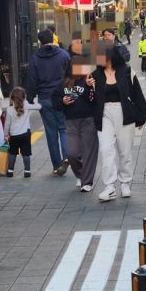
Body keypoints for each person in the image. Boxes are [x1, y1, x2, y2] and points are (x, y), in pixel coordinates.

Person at [89, 45, 146, 202]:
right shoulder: (95, 75)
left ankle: (125, 183)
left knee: (125, 151)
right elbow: (90, 99)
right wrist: (89, 87)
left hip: (124, 113)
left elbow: (137, 94)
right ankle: (109, 186)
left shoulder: (127, 72)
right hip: (104, 115)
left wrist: (142, 117)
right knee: (105, 150)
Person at [26, 28, 70, 176]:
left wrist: (30, 97)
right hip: (62, 97)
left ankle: (56, 166)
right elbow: (71, 76)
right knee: (63, 128)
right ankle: (66, 157)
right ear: (53, 38)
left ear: (40, 41)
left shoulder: (35, 58)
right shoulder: (64, 55)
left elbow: (32, 79)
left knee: (51, 132)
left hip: (45, 98)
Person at [54, 59, 98, 192]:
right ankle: (80, 175)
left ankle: (87, 182)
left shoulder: (90, 79)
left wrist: (89, 87)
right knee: (72, 153)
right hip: (71, 121)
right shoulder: (64, 82)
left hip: (88, 120)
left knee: (88, 152)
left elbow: (93, 100)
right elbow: (55, 99)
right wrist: (62, 101)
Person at [4, 86, 41, 178]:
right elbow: (39, 106)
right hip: (25, 134)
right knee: (26, 153)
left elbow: (7, 124)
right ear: (24, 98)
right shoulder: (26, 106)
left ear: (12, 98)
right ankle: (27, 171)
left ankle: (10, 171)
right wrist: (29, 102)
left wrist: (5, 134)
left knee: (12, 153)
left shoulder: (9, 110)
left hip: (14, 135)